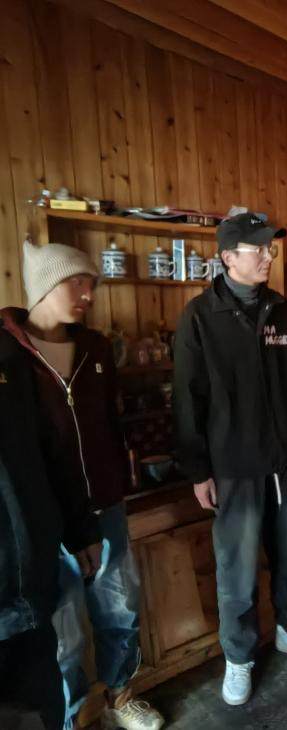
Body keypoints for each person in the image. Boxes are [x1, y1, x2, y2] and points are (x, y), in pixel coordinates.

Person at [1, 243, 165, 730]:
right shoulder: (9, 353)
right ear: (45, 285)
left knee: (119, 608)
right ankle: (70, 715)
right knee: (62, 629)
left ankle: (121, 694)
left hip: (106, 505)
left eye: (91, 284)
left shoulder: (96, 347)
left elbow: (110, 421)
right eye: (77, 282)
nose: (89, 294)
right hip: (44, 520)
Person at [174, 213, 287, 707]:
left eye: (269, 248)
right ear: (227, 257)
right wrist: (199, 470)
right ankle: (239, 657)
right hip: (233, 466)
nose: (268, 256)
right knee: (237, 571)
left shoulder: (280, 309)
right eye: (257, 249)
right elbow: (188, 398)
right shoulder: (200, 316)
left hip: (284, 460)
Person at [0, 321, 102, 730]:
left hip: (30, 591)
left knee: (42, 713)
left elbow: (51, 446)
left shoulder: (8, 352)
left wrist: (81, 528)